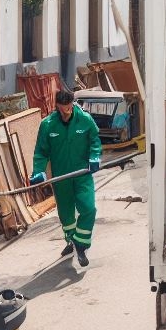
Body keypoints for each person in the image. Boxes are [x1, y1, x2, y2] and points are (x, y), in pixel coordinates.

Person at [31, 89, 102, 266]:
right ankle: (71, 239)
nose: (66, 112)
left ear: (72, 104)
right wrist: (38, 171)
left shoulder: (85, 119)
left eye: (69, 108)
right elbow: (41, 151)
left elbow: (94, 140)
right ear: (57, 106)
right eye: (63, 109)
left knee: (89, 208)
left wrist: (95, 156)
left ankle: (81, 244)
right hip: (61, 177)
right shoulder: (47, 125)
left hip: (82, 174)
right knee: (66, 215)